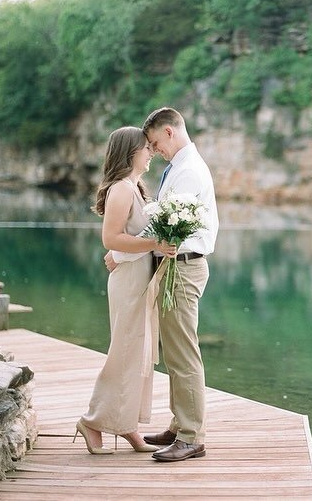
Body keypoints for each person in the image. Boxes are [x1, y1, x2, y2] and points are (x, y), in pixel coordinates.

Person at [104, 107, 219, 463]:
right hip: (174, 267)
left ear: (169, 132)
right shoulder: (180, 168)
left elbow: (163, 231)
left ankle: (191, 436)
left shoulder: (188, 171)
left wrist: (118, 255)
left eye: (155, 143)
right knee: (174, 350)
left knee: (183, 354)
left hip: (182, 269)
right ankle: (178, 425)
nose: (154, 151)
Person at [74, 126, 175, 455]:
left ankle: (126, 425)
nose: (151, 153)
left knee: (137, 353)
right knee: (125, 351)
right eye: (146, 148)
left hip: (139, 275)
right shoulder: (120, 189)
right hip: (128, 280)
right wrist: (154, 243)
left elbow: (126, 239)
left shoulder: (136, 188)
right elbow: (111, 239)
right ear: (130, 152)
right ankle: (92, 420)